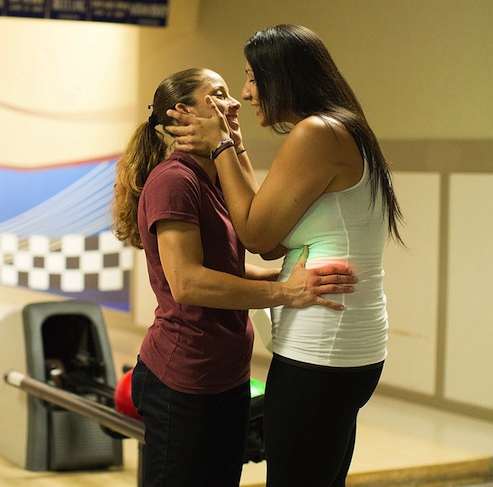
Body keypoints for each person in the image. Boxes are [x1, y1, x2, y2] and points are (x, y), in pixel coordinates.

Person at [165, 25, 404, 487]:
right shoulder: (338, 127)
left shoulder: (316, 132)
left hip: (322, 347)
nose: (245, 94)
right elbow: (273, 240)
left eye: (253, 78)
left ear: (283, 77)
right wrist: (230, 148)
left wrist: (220, 148)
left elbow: (253, 233)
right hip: (344, 343)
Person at [112, 67, 359, 487]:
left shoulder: (214, 177)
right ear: (183, 113)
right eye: (219, 94)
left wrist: (271, 278)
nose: (234, 103)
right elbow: (188, 282)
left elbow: (235, 255)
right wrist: (284, 293)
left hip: (226, 375)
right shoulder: (174, 182)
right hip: (183, 379)